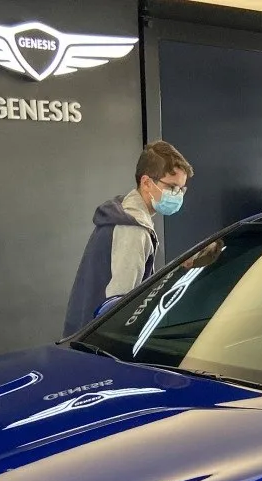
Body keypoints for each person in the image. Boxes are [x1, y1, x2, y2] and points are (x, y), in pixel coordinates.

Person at [63, 140, 193, 336]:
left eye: (182, 189)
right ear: (147, 182)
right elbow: (120, 307)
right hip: (100, 344)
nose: (178, 195)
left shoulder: (122, 211)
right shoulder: (133, 230)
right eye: (172, 187)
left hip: (82, 331)